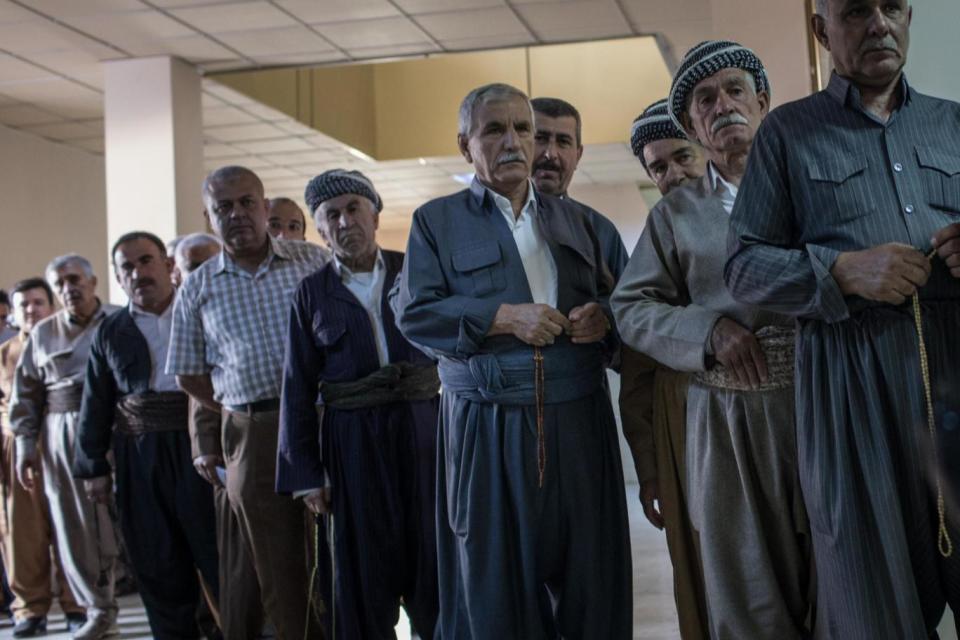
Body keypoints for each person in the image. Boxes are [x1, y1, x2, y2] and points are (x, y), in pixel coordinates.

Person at [724, 1, 960, 635]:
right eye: (856, 10)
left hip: (957, 372)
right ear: (821, 29)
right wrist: (840, 272)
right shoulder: (786, 134)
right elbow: (742, 267)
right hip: (853, 392)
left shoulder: (955, 123)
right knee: (873, 606)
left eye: (892, 7)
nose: (878, 23)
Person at [395, 82, 632, 637]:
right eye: (494, 130)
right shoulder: (437, 222)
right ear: (465, 144)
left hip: (580, 425)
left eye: (522, 129)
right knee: (494, 587)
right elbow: (415, 315)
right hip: (487, 424)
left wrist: (606, 322)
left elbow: (635, 313)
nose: (514, 142)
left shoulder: (587, 225)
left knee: (593, 581)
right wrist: (502, 317)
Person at [612, 41, 813, 638]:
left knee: (839, 568)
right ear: (694, 125)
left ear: (764, 101)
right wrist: (708, 331)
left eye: (733, 90)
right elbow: (630, 307)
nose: (721, 105)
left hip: (819, 401)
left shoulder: (814, 182)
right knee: (747, 581)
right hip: (727, 419)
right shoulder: (676, 215)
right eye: (704, 100)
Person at [167, 166, 330, 640]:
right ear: (209, 216)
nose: (236, 214)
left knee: (340, 548)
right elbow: (188, 373)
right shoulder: (198, 287)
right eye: (224, 207)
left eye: (246, 203)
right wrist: (234, 405)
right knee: (277, 566)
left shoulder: (310, 262)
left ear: (264, 206)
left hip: (323, 420)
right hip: (252, 431)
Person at [277, 169, 439, 638]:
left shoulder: (418, 272)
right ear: (320, 229)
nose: (346, 222)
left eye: (354, 209)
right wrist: (308, 475)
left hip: (423, 431)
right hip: (352, 443)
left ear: (375, 214)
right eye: (332, 215)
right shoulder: (312, 293)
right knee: (363, 573)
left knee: (434, 561)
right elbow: (297, 388)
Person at [73, 232, 220, 638]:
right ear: (118, 279)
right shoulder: (111, 331)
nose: (139, 273)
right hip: (140, 456)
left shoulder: (200, 313)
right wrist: (93, 467)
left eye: (146, 261)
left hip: (201, 448)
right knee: (156, 558)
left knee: (217, 552)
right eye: (127, 267)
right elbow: (96, 402)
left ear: (168, 265)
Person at [618, 97, 709, 640]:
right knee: (702, 567)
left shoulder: (759, 213)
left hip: (769, 424)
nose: (673, 174)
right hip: (685, 431)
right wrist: (651, 468)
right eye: (658, 167)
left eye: (682, 157)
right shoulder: (652, 249)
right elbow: (637, 379)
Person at [10, 255, 120, 640]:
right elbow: (25, 395)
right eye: (59, 283)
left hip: (121, 429)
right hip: (62, 435)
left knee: (133, 524)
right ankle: (98, 610)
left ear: (92, 282)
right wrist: (25, 446)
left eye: (75, 279)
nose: (68, 288)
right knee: (75, 526)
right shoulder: (42, 334)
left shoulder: (120, 320)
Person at [175, 232, 265, 640]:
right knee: (238, 564)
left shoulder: (257, 293)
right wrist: (206, 445)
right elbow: (200, 384)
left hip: (281, 437)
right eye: (193, 265)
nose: (203, 272)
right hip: (232, 443)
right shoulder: (196, 302)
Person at [0, 278, 85, 637]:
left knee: (71, 526)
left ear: (51, 307)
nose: (31, 310)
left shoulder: (67, 343)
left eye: (38, 302)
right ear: (14, 314)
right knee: (21, 532)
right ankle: (29, 610)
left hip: (60, 440)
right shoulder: (4, 352)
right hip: (15, 444)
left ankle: (77, 604)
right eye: (24, 305)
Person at [530, 97, 629, 280]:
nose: (550, 154)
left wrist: (602, 308)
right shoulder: (493, 222)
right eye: (540, 139)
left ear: (578, 155)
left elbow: (628, 303)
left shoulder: (601, 231)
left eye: (563, 142)